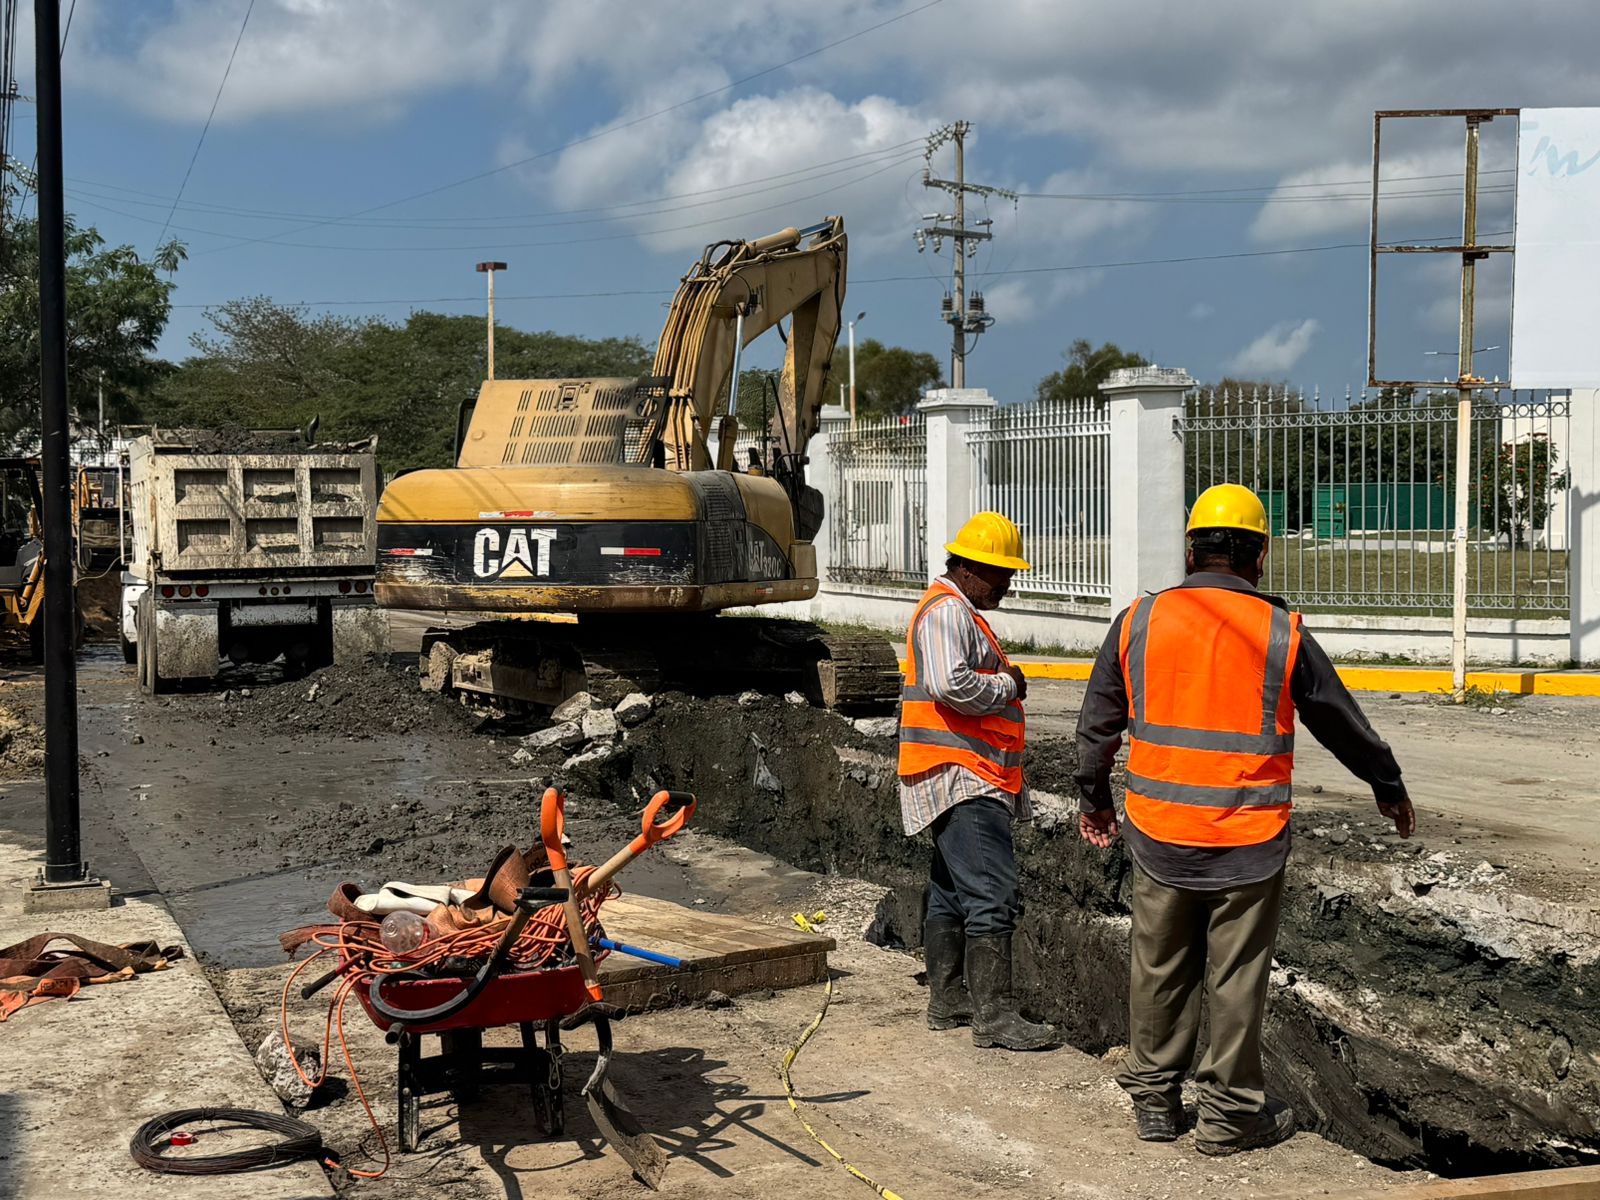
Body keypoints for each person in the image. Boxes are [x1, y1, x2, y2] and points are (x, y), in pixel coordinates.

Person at [1075, 483, 1414, 1155]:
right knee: (1234, 980)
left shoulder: (1139, 619)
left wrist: (1093, 798)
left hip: (1160, 832)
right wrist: (1386, 782)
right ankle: (1229, 1119)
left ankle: (1154, 1102)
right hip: (1247, 842)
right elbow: (1338, 718)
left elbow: (1096, 724)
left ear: (1191, 548)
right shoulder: (1280, 629)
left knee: (1159, 965)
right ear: (1258, 555)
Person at [899, 511, 1060, 1052]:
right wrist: (1008, 686)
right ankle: (994, 1016)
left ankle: (950, 1001)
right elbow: (952, 686)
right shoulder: (947, 612)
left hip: (959, 773)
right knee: (993, 892)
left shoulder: (956, 610)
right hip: (964, 775)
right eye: (1001, 574)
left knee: (951, 892)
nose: (1007, 585)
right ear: (969, 567)